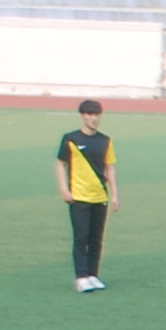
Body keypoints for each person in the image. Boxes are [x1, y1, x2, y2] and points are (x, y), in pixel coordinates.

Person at [55, 96, 116, 291]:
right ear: (83, 116)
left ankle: (92, 274)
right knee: (81, 237)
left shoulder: (105, 141)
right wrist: (64, 189)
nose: (94, 118)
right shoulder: (71, 139)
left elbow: (109, 167)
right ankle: (81, 277)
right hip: (79, 197)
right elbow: (60, 164)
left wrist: (114, 194)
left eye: (97, 114)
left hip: (100, 197)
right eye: (90, 114)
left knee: (96, 239)